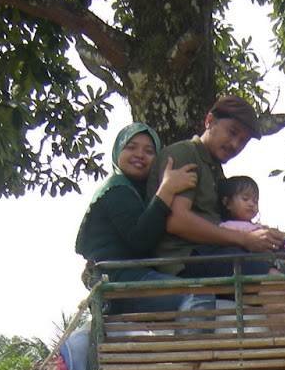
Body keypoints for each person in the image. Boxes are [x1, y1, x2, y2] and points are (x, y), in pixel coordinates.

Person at [147, 95, 285, 279]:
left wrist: (263, 235)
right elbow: (177, 221)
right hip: (186, 259)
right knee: (273, 280)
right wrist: (245, 240)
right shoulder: (184, 154)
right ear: (210, 121)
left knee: (284, 264)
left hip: (216, 253)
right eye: (232, 132)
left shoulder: (215, 169)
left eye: (243, 141)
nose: (235, 144)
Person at [74, 122, 198, 312]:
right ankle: (192, 342)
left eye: (149, 151)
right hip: (118, 283)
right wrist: (167, 189)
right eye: (131, 147)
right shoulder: (116, 189)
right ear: (117, 152)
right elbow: (140, 238)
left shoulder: (139, 192)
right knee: (196, 295)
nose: (140, 155)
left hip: (136, 277)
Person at [219, 175, 285, 275]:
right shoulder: (228, 227)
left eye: (255, 201)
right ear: (227, 203)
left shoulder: (258, 226)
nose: (251, 204)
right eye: (245, 199)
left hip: (276, 258)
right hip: (260, 264)